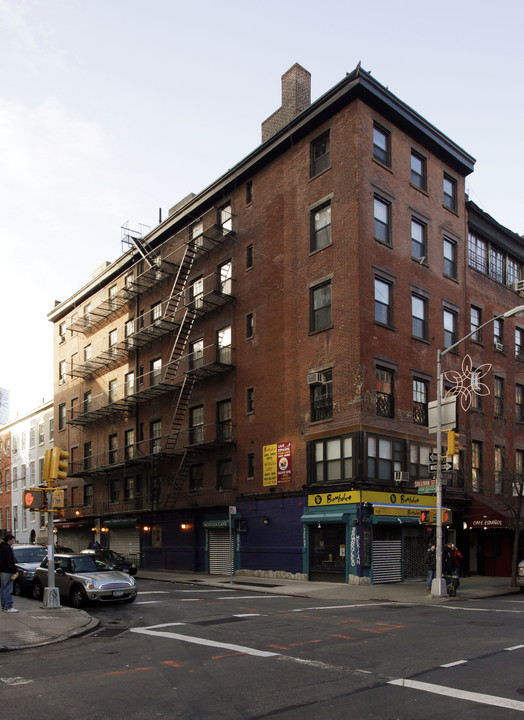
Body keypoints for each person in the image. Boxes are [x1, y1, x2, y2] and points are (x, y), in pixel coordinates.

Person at [0, 534, 19, 613]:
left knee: (3, 588)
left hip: (2, 570)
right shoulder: (8, 548)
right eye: (12, 540)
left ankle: (4, 605)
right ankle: (8, 606)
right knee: (7, 589)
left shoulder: (1, 548)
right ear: (9, 540)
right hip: (8, 571)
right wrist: (15, 570)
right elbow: (10, 561)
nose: (13, 541)